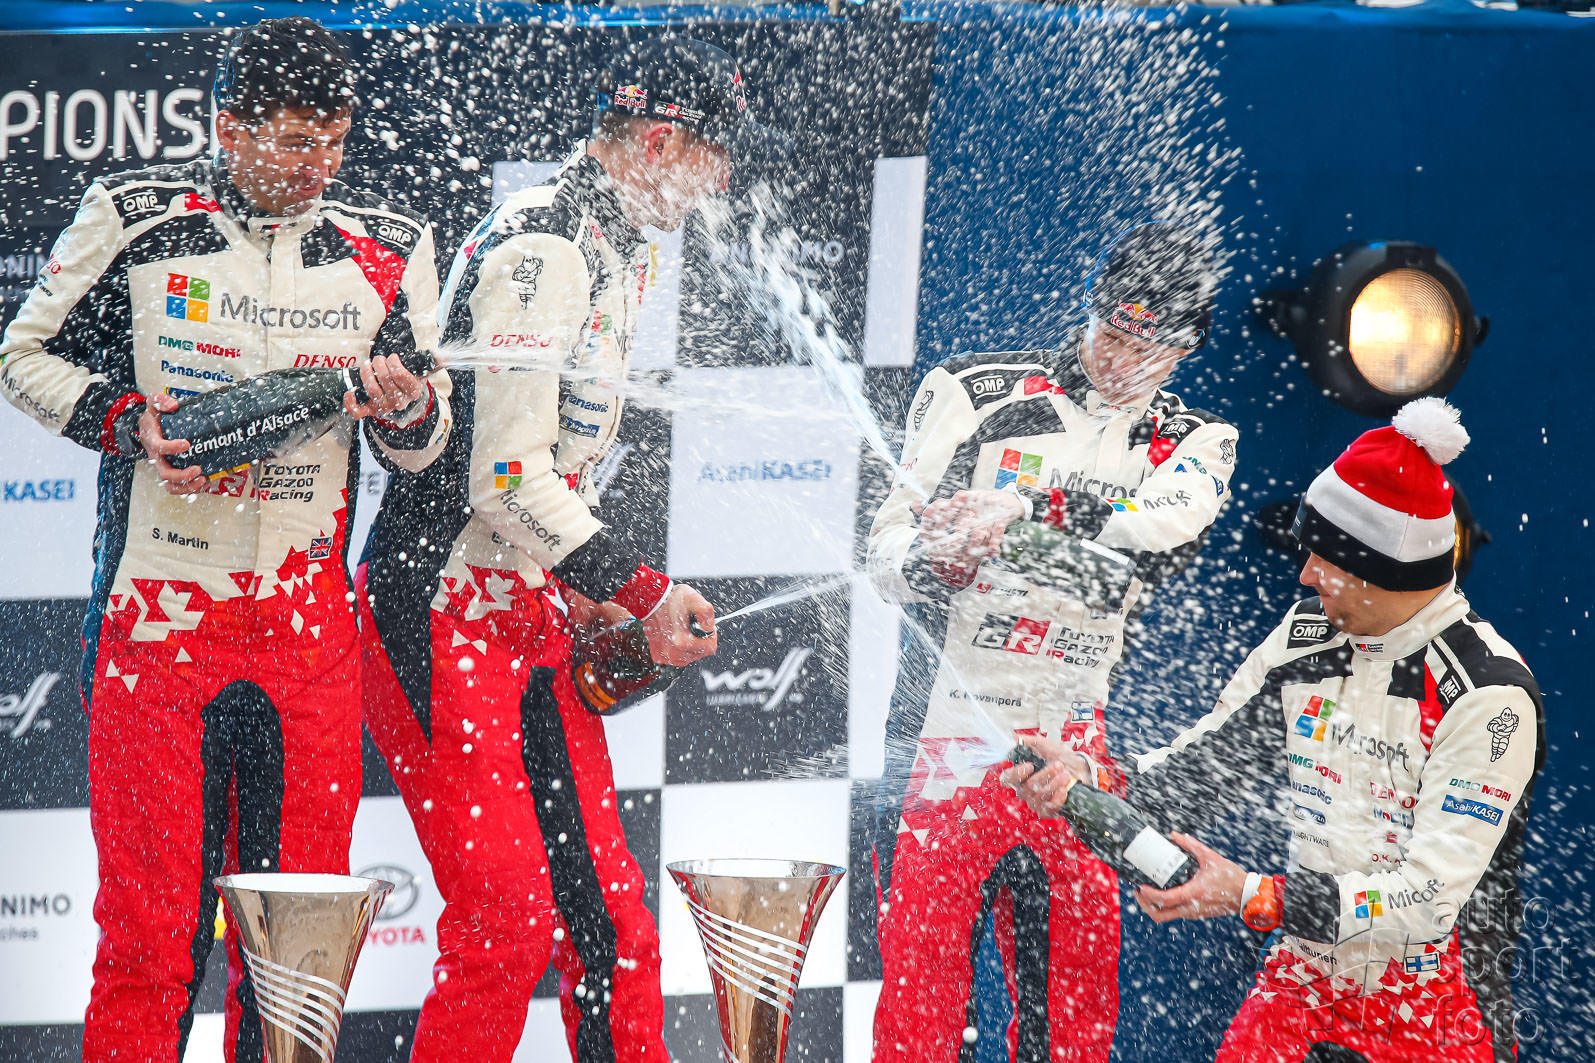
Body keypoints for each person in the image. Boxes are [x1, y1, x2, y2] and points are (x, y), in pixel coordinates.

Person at [0, 17, 450, 1063]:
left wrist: (407, 412)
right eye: (293, 141)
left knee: (296, 954)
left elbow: (424, 446)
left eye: (333, 141)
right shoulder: (136, 217)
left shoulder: (389, 246)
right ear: (229, 128)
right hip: (159, 631)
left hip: (308, 643)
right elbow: (20, 354)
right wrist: (127, 422)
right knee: (148, 941)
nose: (316, 165)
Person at [358, 35, 760, 1063]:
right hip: (435, 607)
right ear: (662, 143)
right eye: (715, 160)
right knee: (504, 924)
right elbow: (500, 477)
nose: (719, 186)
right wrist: (639, 586)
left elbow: (547, 463)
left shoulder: (620, 244)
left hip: (526, 612)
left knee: (613, 928)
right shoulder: (545, 244)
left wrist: (586, 593)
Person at [1005, 398, 1543, 1063]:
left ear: (1384, 568)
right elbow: (1201, 772)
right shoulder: (1305, 637)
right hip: (1299, 984)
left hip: (1433, 1011)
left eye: (1327, 558)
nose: (1305, 573)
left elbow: (1428, 900)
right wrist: (1089, 777)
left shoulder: (1489, 693)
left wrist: (1250, 894)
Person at [866, 221, 1239, 1062]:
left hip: (1073, 759)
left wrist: (1023, 514)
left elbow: (1155, 540)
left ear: (1184, 350)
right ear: (1092, 309)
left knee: (1073, 1023)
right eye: (1112, 332)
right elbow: (883, 553)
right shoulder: (973, 389)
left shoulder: (1196, 440)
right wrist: (936, 561)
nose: (1121, 360)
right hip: (942, 746)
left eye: (1148, 347)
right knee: (917, 1018)